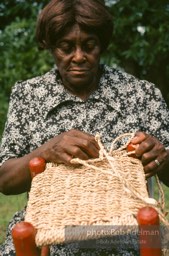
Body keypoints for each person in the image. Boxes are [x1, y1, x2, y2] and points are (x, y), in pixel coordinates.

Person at [0, 0, 169, 255]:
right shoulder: (28, 96)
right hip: (51, 236)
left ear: (102, 45)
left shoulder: (141, 94)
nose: (78, 57)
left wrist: (162, 158)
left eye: (89, 46)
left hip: (126, 235)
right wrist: (46, 151)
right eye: (65, 48)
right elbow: (5, 179)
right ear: (50, 47)